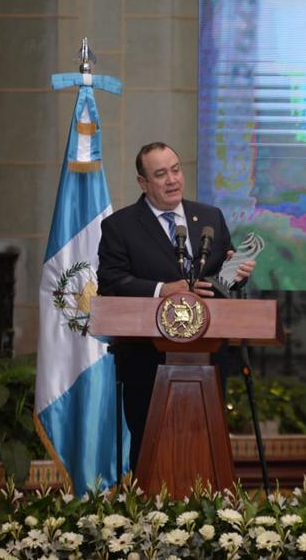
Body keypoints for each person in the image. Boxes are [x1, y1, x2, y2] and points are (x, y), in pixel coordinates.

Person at [97, 141, 255, 469]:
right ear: (143, 182)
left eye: (176, 169)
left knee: (207, 444)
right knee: (149, 446)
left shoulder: (209, 217)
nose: (172, 180)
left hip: (206, 357)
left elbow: (216, 285)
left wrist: (235, 274)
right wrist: (161, 290)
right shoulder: (120, 226)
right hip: (146, 361)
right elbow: (111, 283)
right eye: (160, 174)